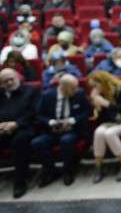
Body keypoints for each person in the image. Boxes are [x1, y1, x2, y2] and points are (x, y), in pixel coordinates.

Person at [32, 74, 90, 186]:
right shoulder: (47, 95)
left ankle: (68, 171)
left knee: (66, 140)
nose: (76, 90)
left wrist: (72, 120)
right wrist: (51, 122)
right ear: (62, 87)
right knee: (37, 143)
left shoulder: (80, 93)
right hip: (52, 130)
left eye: (76, 87)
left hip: (72, 129)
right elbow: (39, 114)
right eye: (73, 88)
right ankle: (51, 171)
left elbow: (87, 111)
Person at [88, 71, 121, 183]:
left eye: (96, 85)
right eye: (93, 86)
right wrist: (95, 105)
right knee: (98, 132)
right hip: (109, 122)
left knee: (109, 134)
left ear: (103, 82)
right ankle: (98, 167)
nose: (95, 88)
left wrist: (105, 103)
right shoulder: (99, 94)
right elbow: (97, 118)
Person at [0, 68, 39, 198]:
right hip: (2, 128)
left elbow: (33, 113)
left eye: (11, 79)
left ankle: (20, 182)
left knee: (19, 142)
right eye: (5, 81)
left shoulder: (31, 91)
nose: (9, 83)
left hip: (24, 128)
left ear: (17, 77)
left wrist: (16, 124)